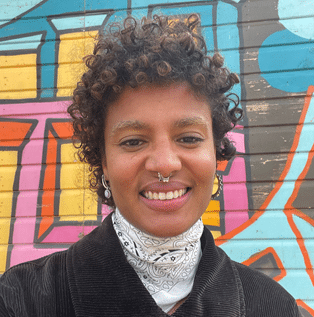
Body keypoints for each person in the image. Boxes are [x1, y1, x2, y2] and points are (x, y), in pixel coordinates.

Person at [0, 14, 301, 317]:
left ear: (216, 151)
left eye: (188, 138)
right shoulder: (20, 300)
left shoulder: (273, 306)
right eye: (133, 141)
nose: (165, 164)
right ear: (103, 160)